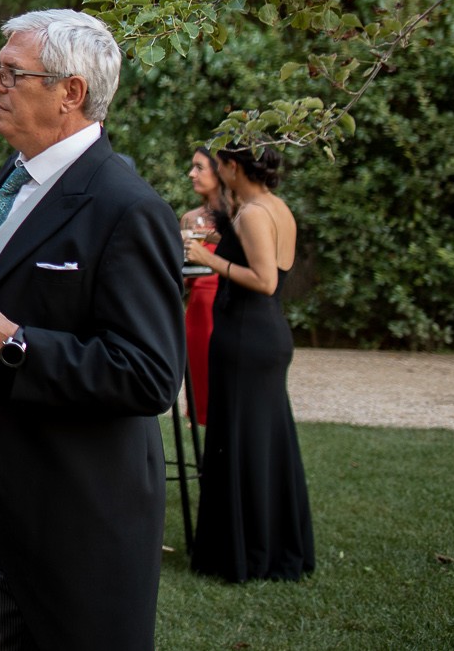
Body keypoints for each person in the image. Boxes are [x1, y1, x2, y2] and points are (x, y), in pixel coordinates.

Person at [0, 10, 182, 651]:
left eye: (12, 73)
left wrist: (11, 343)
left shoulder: (127, 207)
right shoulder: (15, 178)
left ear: (71, 93)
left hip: (76, 513)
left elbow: (149, 374)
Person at [186, 144, 315, 583]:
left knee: (241, 443)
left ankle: (248, 553)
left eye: (220, 165)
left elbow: (264, 280)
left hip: (247, 335)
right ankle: (274, 545)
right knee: (266, 443)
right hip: (266, 333)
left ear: (234, 167)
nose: (217, 173)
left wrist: (208, 259)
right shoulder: (277, 207)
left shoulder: (257, 212)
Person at [182, 147, 230, 425]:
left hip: (224, 300)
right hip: (198, 308)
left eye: (200, 167)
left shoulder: (240, 215)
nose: (192, 174)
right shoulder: (190, 218)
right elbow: (185, 275)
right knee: (200, 379)